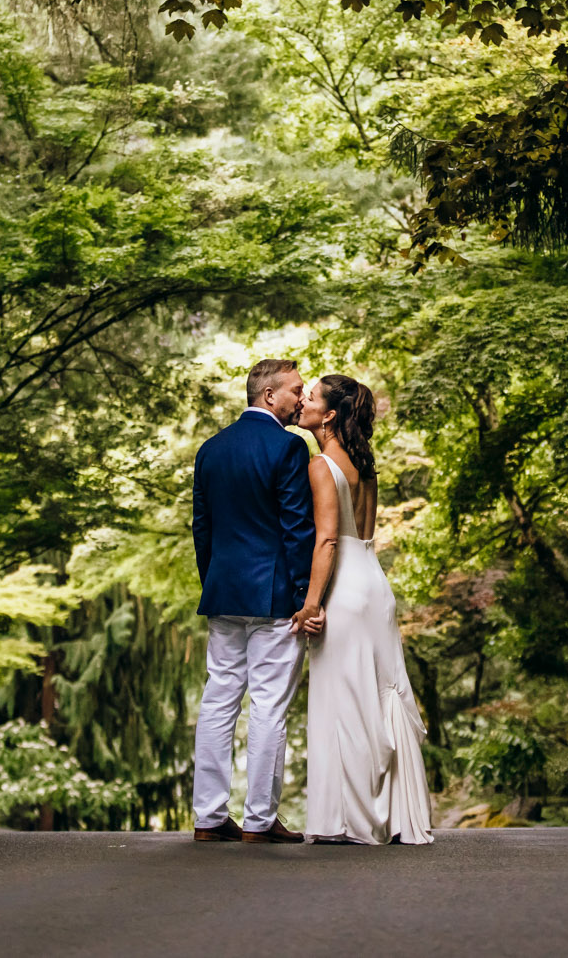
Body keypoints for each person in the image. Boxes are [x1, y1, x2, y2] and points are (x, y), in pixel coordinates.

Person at [296, 373, 435, 845]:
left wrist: (311, 604)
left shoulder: (320, 466)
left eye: (310, 398)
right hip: (374, 584)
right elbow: (363, 535)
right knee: (378, 692)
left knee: (343, 700)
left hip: (344, 591)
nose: (303, 403)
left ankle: (346, 820)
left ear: (329, 415)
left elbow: (329, 540)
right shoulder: (365, 464)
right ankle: (389, 814)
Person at [189, 358, 320, 844]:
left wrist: (215, 581)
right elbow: (296, 528)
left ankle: (208, 818)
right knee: (268, 706)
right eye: (295, 391)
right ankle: (260, 822)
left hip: (223, 592)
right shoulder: (288, 446)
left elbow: (202, 526)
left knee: (218, 700)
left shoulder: (210, 449)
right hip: (275, 598)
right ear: (269, 396)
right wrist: (307, 596)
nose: (300, 399)